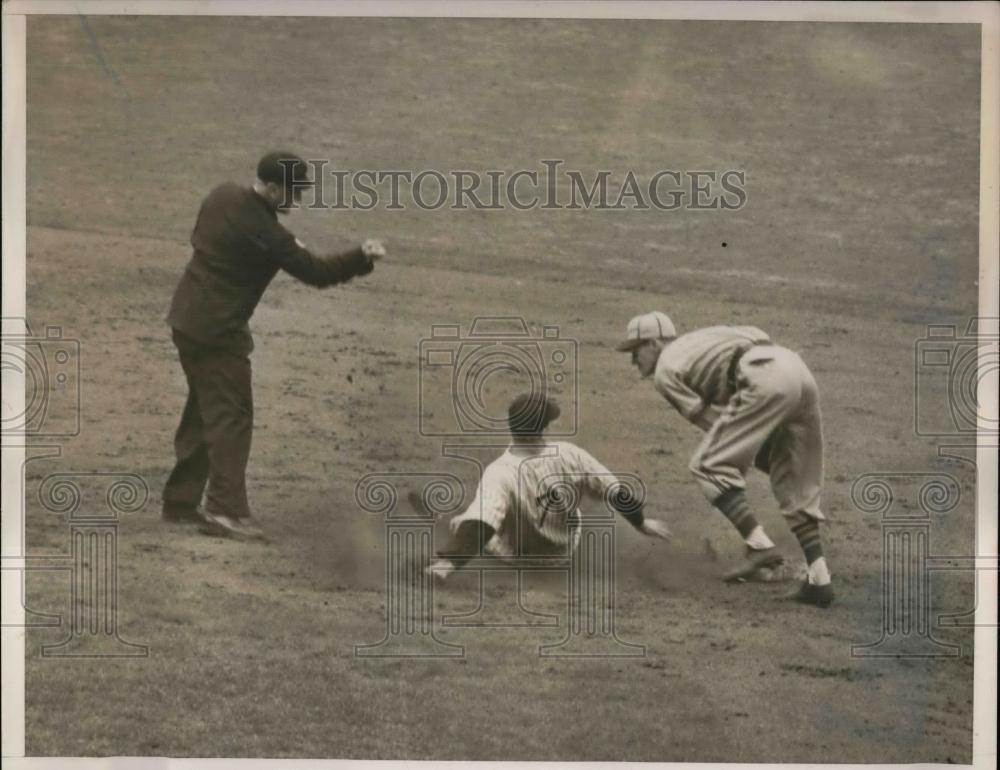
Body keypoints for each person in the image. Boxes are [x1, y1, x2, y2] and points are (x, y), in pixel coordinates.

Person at [163, 151, 386, 541]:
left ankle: (181, 502)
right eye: (291, 192)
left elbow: (200, 237)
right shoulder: (268, 233)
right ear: (270, 188)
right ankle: (225, 509)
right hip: (219, 334)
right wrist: (360, 257)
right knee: (231, 415)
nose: (295, 200)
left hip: (185, 318)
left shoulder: (221, 195)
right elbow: (316, 273)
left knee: (204, 407)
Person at [617, 311, 833, 608]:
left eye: (635, 349)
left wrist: (745, 454)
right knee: (795, 479)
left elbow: (711, 422)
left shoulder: (666, 369)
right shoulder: (701, 338)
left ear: (654, 343)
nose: (632, 359)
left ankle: (759, 546)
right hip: (796, 370)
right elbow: (756, 332)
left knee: (707, 465)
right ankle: (820, 581)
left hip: (761, 378)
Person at [426, 393, 671, 579]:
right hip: (564, 552)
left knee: (477, 515)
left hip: (516, 558)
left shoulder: (499, 472)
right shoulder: (571, 454)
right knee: (592, 498)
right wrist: (640, 522)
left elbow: (483, 525)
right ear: (545, 427)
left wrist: (448, 566)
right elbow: (616, 490)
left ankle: (452, 522)